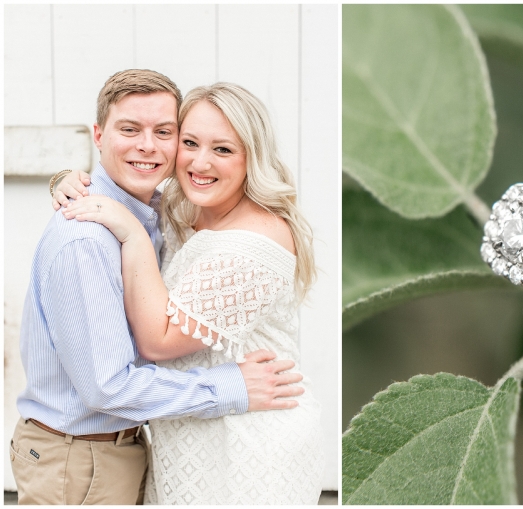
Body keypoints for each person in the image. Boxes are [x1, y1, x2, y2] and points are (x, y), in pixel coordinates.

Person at [12, 70, 305, 505]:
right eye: (129, 129)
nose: (148, 146)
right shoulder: (90, 236)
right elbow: (107, 387)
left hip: (139, 448)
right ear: (98, 134)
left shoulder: (156, 212)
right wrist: (227, 386)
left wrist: (84, 194)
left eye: (164, 132)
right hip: (80, 458)